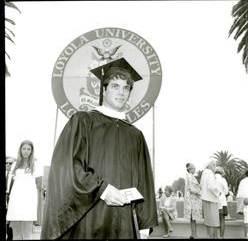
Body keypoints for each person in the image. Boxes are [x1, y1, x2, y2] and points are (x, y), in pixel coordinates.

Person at [41, 57, 158, 239]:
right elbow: (67, 167)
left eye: (126, 88)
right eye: (115, 86)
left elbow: (145, 182)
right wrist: (101, 189)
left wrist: (144, 226)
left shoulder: (135, 135)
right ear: (103, 90)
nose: (121, 92)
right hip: (89, 219)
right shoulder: (83, 121)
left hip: (125, 224)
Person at [6, 140, 41, 240]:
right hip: (15, 202)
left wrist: (37, 207)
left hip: (29, 202)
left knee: (26, 234)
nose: (26, 151)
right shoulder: (14, 165)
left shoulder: (36, 165)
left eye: (28, 149)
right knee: (16, 234)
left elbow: (39, 186)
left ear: (32, 151)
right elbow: (11, 186)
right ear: (20, 150)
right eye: (24, 148)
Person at [200, 159, 220, 239]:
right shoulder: (210, 174)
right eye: (213, 164)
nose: (215, 166)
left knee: (208, 222)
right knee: (213, 223)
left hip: (205, 199)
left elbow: (201, 186)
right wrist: (218, 193)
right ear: (209, 165)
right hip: (211, 200)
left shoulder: (204, 174)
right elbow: (212, 187)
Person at [184, 163, 202, 239]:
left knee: (193, 218)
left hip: (192, 199)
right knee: (193, 218)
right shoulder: (189, 177)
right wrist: (199, 192)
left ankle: (193, 234)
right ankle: (194, 235)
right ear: (189, 169)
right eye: (193, 168)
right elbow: (192, 189)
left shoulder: (191, 177)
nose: (195, 170)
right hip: (192, 200)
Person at [215, 166, 229, 238]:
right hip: (222, 202)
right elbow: (226, 192)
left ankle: (215, 236)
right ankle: (221, 237)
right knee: (222, 220)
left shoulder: (212, 179)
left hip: (214, 202)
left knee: (214, 221)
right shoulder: (223, 180)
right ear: (221, 172)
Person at [236, 170, 248, 239]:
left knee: (246, 217)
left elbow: (240, 192)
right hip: (246, 198)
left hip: (242, 199)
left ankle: (246, 236)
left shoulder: (242, 181)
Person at [6, 156, 15, 241]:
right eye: (7, 163)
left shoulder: (16, 177)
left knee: (9, 222)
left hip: (11, 200)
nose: (8, 165)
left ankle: (10, 238)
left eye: (10, 163)